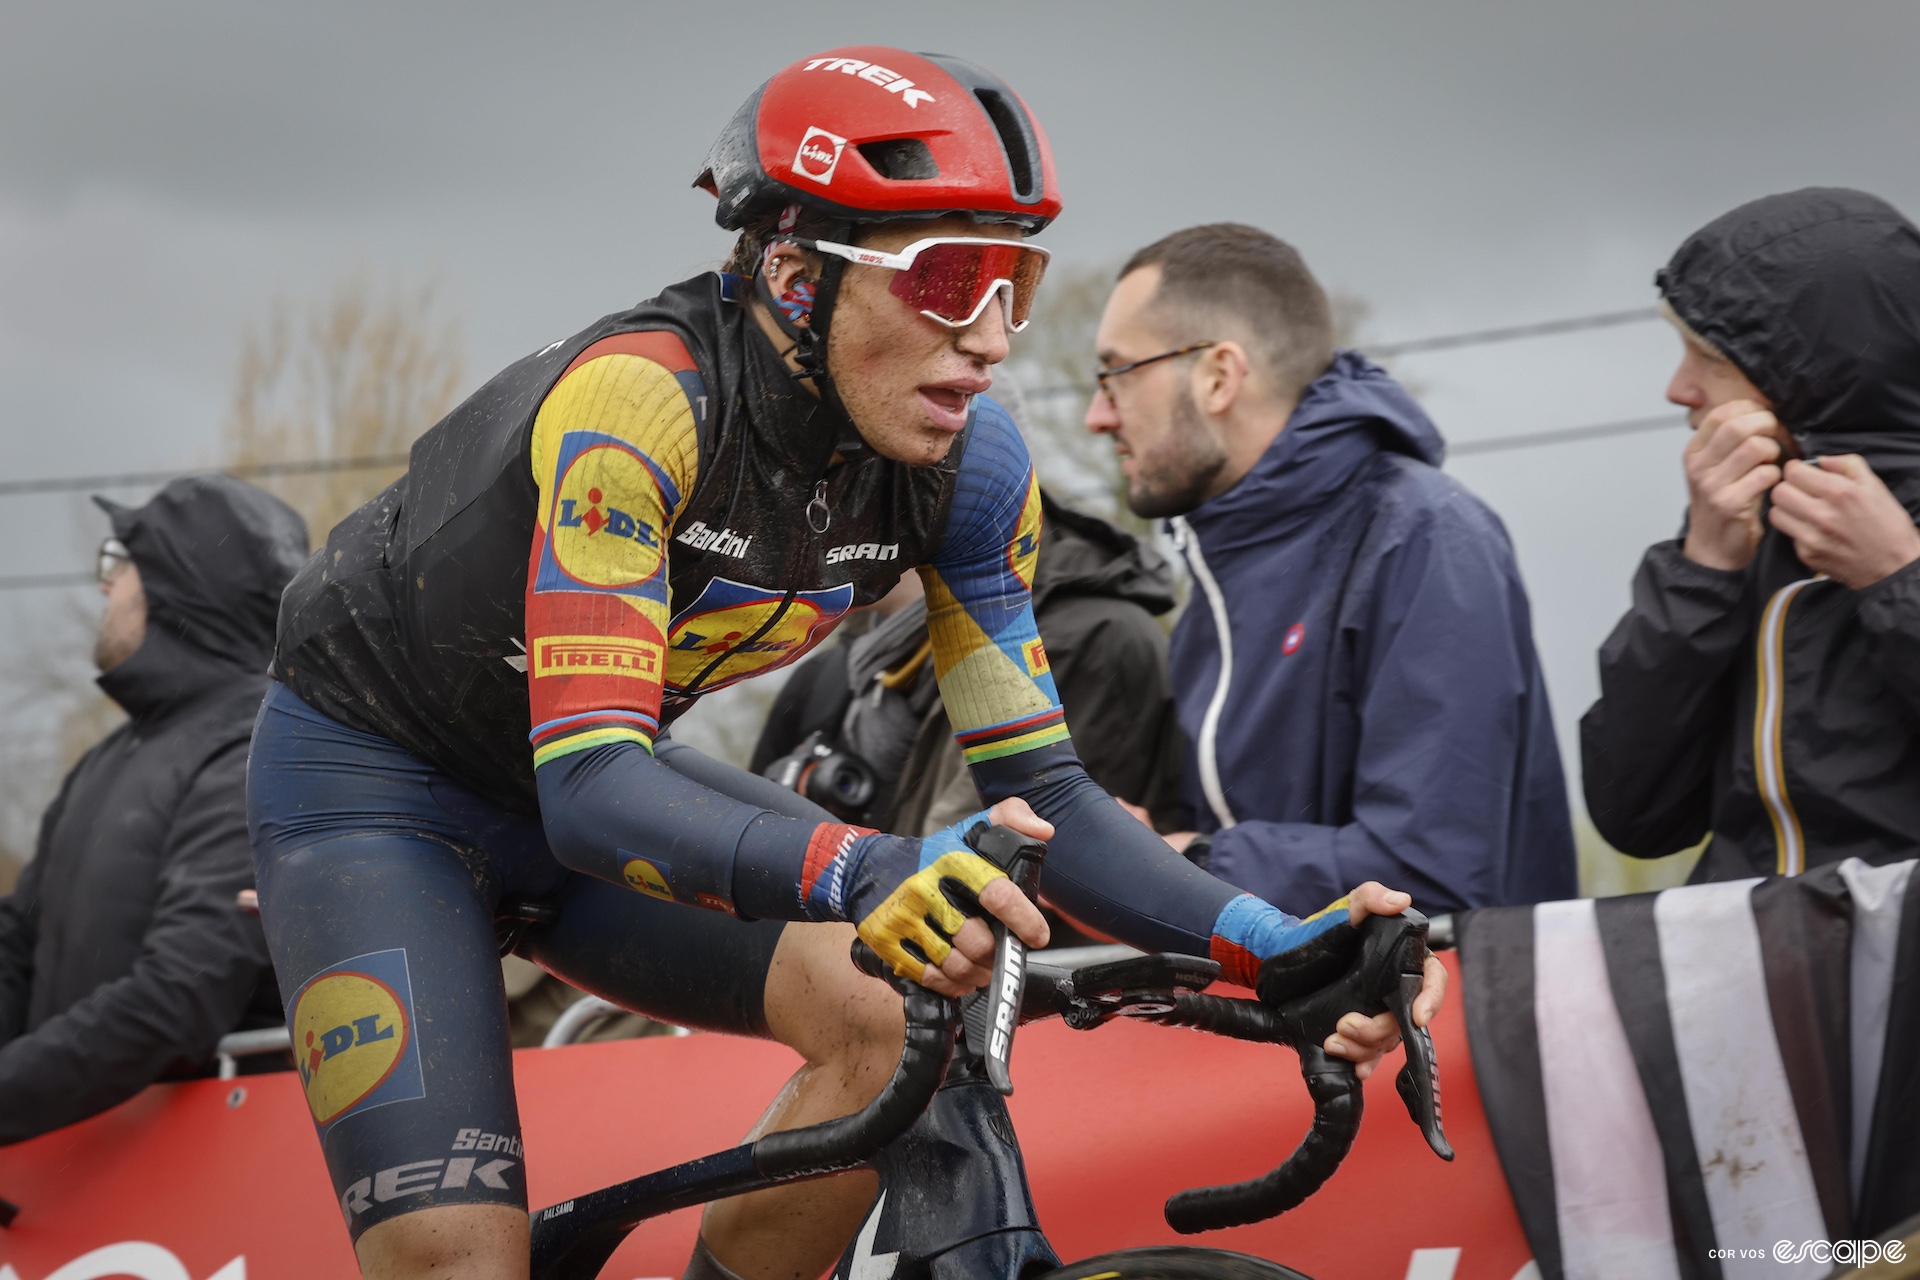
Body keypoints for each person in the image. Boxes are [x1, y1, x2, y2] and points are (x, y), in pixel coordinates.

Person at [252, 48, 1445, 1280]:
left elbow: (1056, 798)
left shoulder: (972, 468)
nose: (989, 340)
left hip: (586, 788)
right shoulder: (640, 402)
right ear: (792, 270)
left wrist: (1268, 940)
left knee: (894, 1022)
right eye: (947, 276)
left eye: (1015, 280)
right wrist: (873, 867)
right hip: (373, 792)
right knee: (464, 1263)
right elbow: (593, 784)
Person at [1087, 223, 1577, 918]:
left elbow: (1428, 875)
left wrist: (1182, 863)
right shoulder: (1212, 589)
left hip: (1443, 1022)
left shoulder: (1424, 536)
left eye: (1118, 372)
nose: (1095, 416)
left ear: (1219, 377)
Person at [1582, 188, 1920, 881]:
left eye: (1709, 356)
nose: (1679, 389)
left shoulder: (1896, 547)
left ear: (1815, 374)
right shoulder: (1742, 531)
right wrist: (1702, 571)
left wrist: (1899, 579)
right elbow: (1635, 815)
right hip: (1764, 976)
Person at [0, 476, 306, 1144]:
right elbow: (16, 946)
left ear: (175, 588)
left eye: (120, 563)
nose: (106, 586)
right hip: (68, 1177)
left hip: (208, 1191)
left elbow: (180, 994)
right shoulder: (109, 757)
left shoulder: (258, 751)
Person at [749, 480, 1189, 842]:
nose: (806, 525)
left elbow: (968, 878)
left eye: (838, 487)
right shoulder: (838, 674)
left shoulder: (1080, 639)